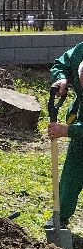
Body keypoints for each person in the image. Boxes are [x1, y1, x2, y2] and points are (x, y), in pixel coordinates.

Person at [47, 41, 83, 227]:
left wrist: (68, 130)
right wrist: (62, 78)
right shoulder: (80, 52)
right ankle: (60, 218)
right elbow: (61, 64)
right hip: (81, 115)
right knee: (72, 173)